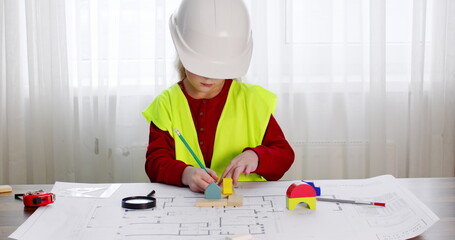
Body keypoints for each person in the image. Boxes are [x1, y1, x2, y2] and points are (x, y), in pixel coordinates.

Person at [143, 0, 294, 193]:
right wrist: (185, 173)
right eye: (201, 67)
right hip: (187, 206)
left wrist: (256, 157)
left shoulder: (252, 101)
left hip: (244, 203)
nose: (209, 76)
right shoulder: (166, 104)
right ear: (183, 54)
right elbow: (155, 163)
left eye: (219, 69)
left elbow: (284, 155)